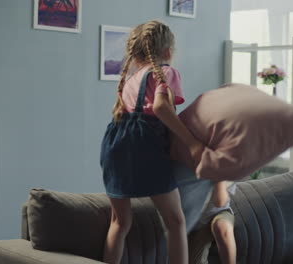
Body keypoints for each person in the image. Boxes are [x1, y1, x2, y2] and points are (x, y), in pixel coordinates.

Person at [100, 20, 205, 264]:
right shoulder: (166, 71)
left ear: (135, 54)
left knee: (120, 222)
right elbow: (160, 107)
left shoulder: (131, 78)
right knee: (176, 221)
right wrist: (191, 142)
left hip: (114, 143)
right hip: (144, 146)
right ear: (167, 52)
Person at [192, 181, 237, 264]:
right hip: (193, 223)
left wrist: (218, 179)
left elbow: (220, 201)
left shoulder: (227, 170)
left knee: (222, 226)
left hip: (219, 213)